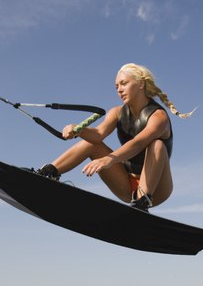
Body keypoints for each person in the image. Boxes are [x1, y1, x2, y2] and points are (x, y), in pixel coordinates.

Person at [34, 63, 194, 212]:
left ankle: (142, 202)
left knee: (157, 145)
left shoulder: (158, 117)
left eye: (124, 83)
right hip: (125, 182)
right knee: (92, 144)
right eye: (117, 86)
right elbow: (97, 135)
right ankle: (47, 173)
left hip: (158, 188)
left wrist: (109, 159)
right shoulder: (117, 112)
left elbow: (138, 144)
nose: (119, 90)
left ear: (140, 84)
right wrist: (78, 130)